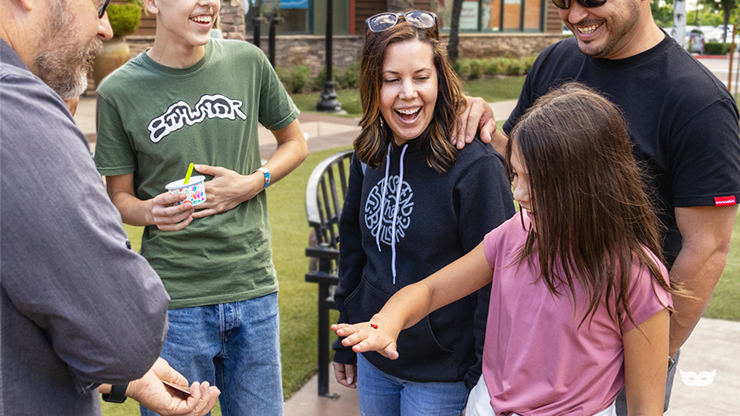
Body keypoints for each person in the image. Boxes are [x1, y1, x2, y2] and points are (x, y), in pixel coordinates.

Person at [462, 0, 740, 411]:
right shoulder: (555, 61)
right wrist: (487, 127)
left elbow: (708, 247)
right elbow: (522, 167)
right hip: (539, 343)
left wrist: (652, 355)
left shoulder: (699, 103)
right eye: (562, 1)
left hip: (621, 357)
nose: (574, 15)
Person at [334, 83, 674, 416]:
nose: (519, 194)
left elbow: (645, 407)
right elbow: (430, 290)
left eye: (536, 182)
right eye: (515, 176)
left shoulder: (636, 278)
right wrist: (387, 322)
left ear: (587, 182)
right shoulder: (517, 233)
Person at [0, 0, 219, 414]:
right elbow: (127, 333)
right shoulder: (15, 105)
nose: (105, 28)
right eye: (98, 5)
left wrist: (127, 379)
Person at [92, 0, 308, 414]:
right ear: (152, 3)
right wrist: (151, 211)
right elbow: (119, 198)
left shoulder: (247, 62)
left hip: (253, 288)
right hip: (176, 304)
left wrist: (253, 182)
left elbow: (294, 143)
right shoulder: (118, 91)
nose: (208, 2)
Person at [332, 11, 515, 416]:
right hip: (374, 355)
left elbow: (499, 278)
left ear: (439, 81)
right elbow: (353, 249)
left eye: (421, 77)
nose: (408, 93)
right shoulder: (369, 154)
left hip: (444, 374)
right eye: (391, 79)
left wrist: (480, 376)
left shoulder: (476, 165)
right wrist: (346, 339)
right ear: (373, 86)